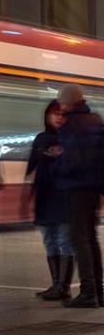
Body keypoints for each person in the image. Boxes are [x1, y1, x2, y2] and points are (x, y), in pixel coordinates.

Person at [51, 84, 104, 308]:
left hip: (76, 187)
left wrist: (56, 160)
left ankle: (88, 291)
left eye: (61, 101)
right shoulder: (95, 120)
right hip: (93, 187)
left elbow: (72, 161)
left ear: (68, 102)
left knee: (78, 239)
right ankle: (99, 291)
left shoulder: (72, 124)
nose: (60, 105)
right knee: (90, 238)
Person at [24, 100, 72, 301]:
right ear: (47, 116)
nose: (59, 117)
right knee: (50, 241)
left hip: (63, 197)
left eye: (63, 114)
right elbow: (33, 167)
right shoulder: (41, 138)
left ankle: (64, 287)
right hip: (44, 197)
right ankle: (56, 285)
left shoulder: (71, 139)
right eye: (55, 113)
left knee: (64, 241)